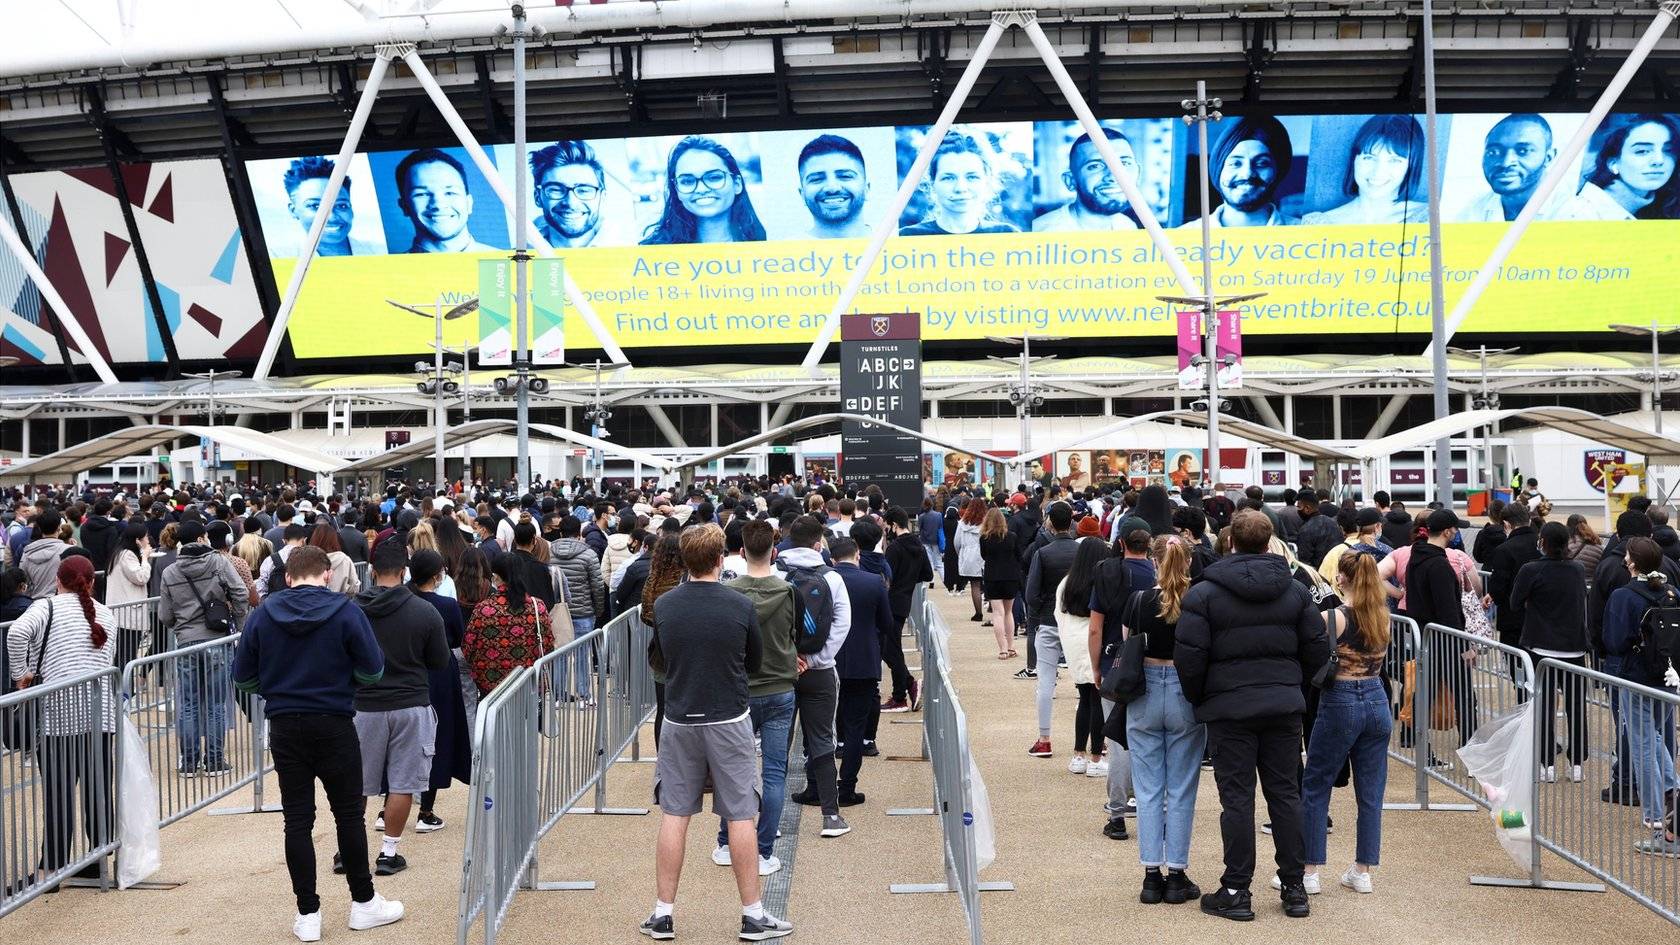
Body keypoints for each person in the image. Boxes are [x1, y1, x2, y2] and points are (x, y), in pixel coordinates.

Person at [230, 545, 404, 940]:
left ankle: (308, 912)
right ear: (327, 574)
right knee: (347, 815)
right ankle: (363, 901)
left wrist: (276, 691)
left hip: (286, 723)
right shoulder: (346, 611)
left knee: (297, 819)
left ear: (287, 577)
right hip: (334, 719)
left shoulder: (262, 616)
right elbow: (374, 670)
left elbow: (242, 678)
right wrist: (344, 684)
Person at [1174, 509, 1331, 921]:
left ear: (1230, 542)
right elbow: (1317, 647)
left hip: (1230, 707)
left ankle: (1237, 887)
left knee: (1238, 800)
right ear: (1270, 543)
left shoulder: (1205, 593)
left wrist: (1201, 698)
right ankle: (1294, 886)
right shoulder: (1295, 590)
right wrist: (1296, 688)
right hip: (1280, 705)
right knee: (1284, 795)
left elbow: (1190, 657)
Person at [641, 523, 793, 941]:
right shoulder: (738, 604)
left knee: (675, 813)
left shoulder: (667, 606)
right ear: (720, 557)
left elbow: (662, 657)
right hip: (728, 716)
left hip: (679, 716)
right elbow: (755, 660)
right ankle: (753, 913)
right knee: (741, 812)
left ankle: (662, 912)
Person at [4, 556, 117, 891]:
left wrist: (20, 675)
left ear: (58, 580)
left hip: (59, 715)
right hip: (101, 713)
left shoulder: (46, 608)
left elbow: (17, 634)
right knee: (97, 789)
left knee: (59, 792)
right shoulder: (105, 613)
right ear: (91, 582)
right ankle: (100, 857)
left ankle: (50, 867)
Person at [351, 541, 448, 876]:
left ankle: (347, 848)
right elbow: (439, 660)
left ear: (372, 570)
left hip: (364, 704)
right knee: (403, 782)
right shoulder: (424, 611)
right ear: (405, 571)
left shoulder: (352, 610)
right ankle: (388, 851)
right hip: (410, 702)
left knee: (357, 783)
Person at [1299, 550, 1392, 896]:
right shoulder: (1384, 617)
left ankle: (1310, 870)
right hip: (1376, 698)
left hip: (1341, 698)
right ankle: (1363, 870)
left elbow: (1315, 659)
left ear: (1344, 579)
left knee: (1316, 783)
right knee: (1371, 792)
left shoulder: (1333, 618)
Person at [713, 520, 800, 877]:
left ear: (742, 551)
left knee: (734, 771)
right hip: (780, 687)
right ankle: (762, 851)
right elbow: (796, 632)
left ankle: (724, 842)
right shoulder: (787, 591)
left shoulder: (730, 593)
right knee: (775, 773)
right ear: (774, 552)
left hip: (740, 690)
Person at [1124, 535, 1205, 905]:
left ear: (1154, 562)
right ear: (1187, 562)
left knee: (1148, 788)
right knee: (1182, 787)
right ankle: (1177, 872)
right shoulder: (1197, 601)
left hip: (1145, 690)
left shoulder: (1139, 601)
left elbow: (1128, 647)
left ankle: (1150, 874)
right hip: (1183, 691)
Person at [1601, 537, 1680, 855]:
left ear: (1631, 562)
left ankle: (1656, 815)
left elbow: (1614, 638)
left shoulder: (1624, 596)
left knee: (1643, 745)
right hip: (1667, 676)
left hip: (1635, 676)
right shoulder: (1671, 592)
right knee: (1656, 739)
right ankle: (1671, 792)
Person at [157, 520, 251, 778]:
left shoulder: (171, 572)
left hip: (185, 641)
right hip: (216, 639)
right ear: (202, 538)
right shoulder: (219, 563)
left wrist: (181, 622)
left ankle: (188, 762)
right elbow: (240, 593)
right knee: (215, 703)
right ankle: (215, 760)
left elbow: (164, 615)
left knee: (187, 703)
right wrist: (240, 623)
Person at [1509, 521, 1589, 784]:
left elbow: (1514, 603)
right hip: (1574, 648)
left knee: (1543, 707)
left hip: (1540, 648)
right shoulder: (1577, 570)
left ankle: (1547, 763)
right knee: (1576, 707)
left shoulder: (1531, 569)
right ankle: (1577, 763)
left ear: (1542, 541)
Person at [1403, 509, 1480, 752]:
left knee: (1423, 693)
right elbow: (1449, 611)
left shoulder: (1417, 557)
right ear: (1447, 531)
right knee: (1465, 698)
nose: (1457, 533)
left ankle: (1416, 741)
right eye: (1455, 529)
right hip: (1446, 641)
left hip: (1426, 637)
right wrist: (1464, 647)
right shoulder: (1439, 565)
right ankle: (1468, 747)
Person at [406, 549, 471, 833]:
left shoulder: (402, 601)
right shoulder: (445, 605)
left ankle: (387, 809)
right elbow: (458, 637)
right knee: (436, 736)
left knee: (403, 738)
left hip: (406, 670)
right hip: (439, 673)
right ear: (437, 575)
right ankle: (425, 809)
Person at [829, 536, 890, 813]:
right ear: (857, 556)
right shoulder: (873, 582)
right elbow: (887, 623)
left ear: (832, 559)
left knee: (820, 727)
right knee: (856, 727)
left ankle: (818, 784)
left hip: (828, 660)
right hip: (863, 660)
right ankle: (847, 786)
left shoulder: (824, 582)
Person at [1025, 502, 1080, 756]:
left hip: (1048, 620)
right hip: (1078, 621)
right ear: (1071, 521)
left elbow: (1031, 593)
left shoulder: (1043, 553)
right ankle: (1096, 743)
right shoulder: (1083, 552)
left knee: (1045, 681)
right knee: (1087, 683)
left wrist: (1036, 618)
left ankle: (1044, 738)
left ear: (1049, 521)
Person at [1301, 114, 1428, 225]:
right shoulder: (1316, 224)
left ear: (1412, 166)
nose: (1378, 171)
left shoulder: (1430, 218)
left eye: (1394, 160)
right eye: (1369, 158)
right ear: (1354, 160)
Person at [641, 136, 767, 245]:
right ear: (676, 189)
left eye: (714, 177)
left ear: (737, 184)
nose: (701, 189)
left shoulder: (768, 243)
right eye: (687, 181)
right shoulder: (652, 251)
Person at [1055, 536, 1111, 776]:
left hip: (1073, 645)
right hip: (1094, 640)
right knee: (1097, 699)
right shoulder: (1102, 581)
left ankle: (1078, 755)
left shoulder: (1067, 582)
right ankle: (1096, 757)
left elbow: (1058, 614)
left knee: (1084, 700)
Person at [460, 554, 552, 696]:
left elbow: (468, 648)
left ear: (496, 577)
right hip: (529, 684)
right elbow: (548, 643)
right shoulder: (537, 607)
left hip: (493, 689)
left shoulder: (483, 609)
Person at [1559, 114, 1680, 221]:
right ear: (1613, 164)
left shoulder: (1662, 205)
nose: (1659, 160)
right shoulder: (1580, 214)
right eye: (1642, 151)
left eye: (1668, 150)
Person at [1183, 116, 1298, 228]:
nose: (1247, 174)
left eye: (1261, 163)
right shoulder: (1184, 238)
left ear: (1278, 171)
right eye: (1235, 163)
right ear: (1218, 170)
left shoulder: (1305, 234)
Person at [899, 130, 1019, 236]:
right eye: (948, 178)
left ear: (987, 181)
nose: (960, 188)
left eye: (972, 177)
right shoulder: (907, 237)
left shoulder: (1007, 235)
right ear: (932, 183)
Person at [1457, 114, 1567, 222]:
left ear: (1548, 158)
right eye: (1494, 152)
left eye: (1523, 151)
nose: (1506, 163)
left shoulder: (1575, 214)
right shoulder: (1472, 211)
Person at [1033, 127, 1142, 232]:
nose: (1114, 176)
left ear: (1138, 173)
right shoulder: (1041, 232)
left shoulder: (1127, 226)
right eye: (1095, 166)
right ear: (1070, 181)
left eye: (1124, 163)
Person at [393, 148, 498, 253]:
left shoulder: (508, 262)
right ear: (404, 206)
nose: (438, 204)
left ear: (469, 203)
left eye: (450, 193)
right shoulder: (387, 269)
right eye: (422, 194)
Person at [881, 507, 930, 710]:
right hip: (905, 600)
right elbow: (927, 574)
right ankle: (900, 693)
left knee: (888, 649)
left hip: (890, 601)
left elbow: (886, 577)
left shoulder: (894, 548)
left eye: (887, 527)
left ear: (893, 525)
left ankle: (907, 686)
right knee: (892, 648)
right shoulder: (918, 545)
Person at [282, 156, 377, 255]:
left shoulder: (380, 251)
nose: (331, 217)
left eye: (342, 206)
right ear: (293, 211)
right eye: (315, 206)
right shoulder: (278, 257)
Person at [531, 140, 607, 248]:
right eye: (556, 190)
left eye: (583, 190)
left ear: (602, 197)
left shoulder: (630, 249)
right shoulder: (512, 256)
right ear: (537, 197)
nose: (571, 202)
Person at [797, 134, 871, 239]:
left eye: (845, 176)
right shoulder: (781, 253)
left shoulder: (897, 242)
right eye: (816, 179)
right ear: (802, 194)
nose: (832, 188)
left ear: (866, 188)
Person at [105, 520, 153, 670]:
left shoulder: (121, 552)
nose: (148, 540)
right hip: (127, 615)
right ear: (137, 540)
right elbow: (141, 577)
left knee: (124, 655)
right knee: (127, 656)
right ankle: (124, 690)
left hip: (123, 613)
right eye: (145, 537)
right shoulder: (127, 555)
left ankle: (122, 689)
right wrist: (145, 557)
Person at [979, 507, 1020, 659]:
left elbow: (984, 556)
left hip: (992, 577)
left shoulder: (984, 538)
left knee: (998, 613)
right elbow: (1018, 556)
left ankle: (1002, 649)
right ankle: (1011, 647)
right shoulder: (1012, 537)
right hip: (1010, 576)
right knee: (1009, 612)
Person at [953, 497, 986, 624]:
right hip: (983, 555)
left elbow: (957, 542)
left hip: (968, 556)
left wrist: (961, 554)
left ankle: (978, 613)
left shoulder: (962, 523)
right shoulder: (985, 523)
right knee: (988, 585)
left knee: (975, 585)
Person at [310, 523, 362, 597]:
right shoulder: (344, 560)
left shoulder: (308, 559)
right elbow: (354, 587)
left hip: (312, 602)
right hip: (339, 603)